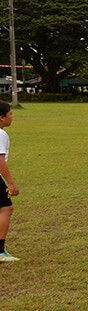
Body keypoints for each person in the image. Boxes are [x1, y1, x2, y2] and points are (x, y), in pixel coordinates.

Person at [0, 101, 21, 262]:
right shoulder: (1, 134)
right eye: (10, 114)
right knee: (6, 208)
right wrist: (11, 183)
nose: (12, 117)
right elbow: (0, 160)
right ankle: (0, 251)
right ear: (2, 117)